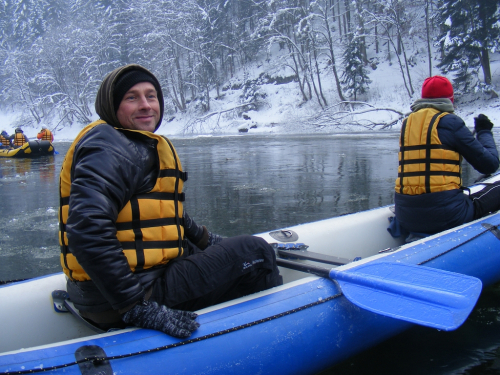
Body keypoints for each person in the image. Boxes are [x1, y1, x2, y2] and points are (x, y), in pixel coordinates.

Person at [59, 64, 282, 338]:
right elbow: (87, 230)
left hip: (118, 290)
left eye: (151, 96)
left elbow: (165, 214)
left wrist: (206, 241)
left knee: (211, 250)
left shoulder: (132, 143)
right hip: (125, 298)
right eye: (132, 98)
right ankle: (269, 334)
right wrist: (135, 306)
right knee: (256, 252)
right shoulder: (110, 148)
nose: (145, 105)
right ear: (111, 105)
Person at [391, 75, 500, 238]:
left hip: (405, 215)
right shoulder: (451, 123)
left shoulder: (407, 124)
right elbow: (490, 165)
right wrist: (484, 131)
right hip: (446, 216)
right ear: (450, 99)